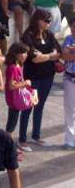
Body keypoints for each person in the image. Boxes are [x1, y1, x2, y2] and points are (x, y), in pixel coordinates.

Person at [19, 9, 61, 145]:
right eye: (47, 20)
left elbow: (58, 51)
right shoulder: (28, 36)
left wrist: (46, 55)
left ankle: (35, 136)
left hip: (48, 76)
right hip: (33, 77)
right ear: (38, 20)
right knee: (27, 107)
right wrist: (50, 55)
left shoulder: (49, 34)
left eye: (50, 20)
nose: (49, 23)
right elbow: (35, 59)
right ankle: (22, 139)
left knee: (40, 106)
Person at [2, 42, 34, 149]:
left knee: (13, 122)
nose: (25, 55)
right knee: (11, 124)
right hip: (13, 99)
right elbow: (11, 86)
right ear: (15, 53)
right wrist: (26, 83)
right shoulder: (12, 67)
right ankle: (8, 146)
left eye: (26, 53)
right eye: (22, 53)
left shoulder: (19, 65)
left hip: (16, 98)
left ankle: (9, 144)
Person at [62, 30, 75, 148]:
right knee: (70, 110)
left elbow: (69, 55)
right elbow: (64, 55)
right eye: (73, 26)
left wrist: (72, 53)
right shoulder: (68, 39)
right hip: (70, 78)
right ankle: (69, 141)